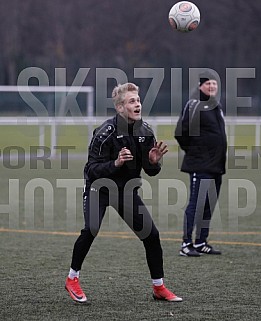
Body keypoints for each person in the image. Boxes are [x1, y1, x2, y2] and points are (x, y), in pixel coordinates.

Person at [65, 82, 182, 302]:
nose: (137, 104)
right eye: (131, 101)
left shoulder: (146, 131)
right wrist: (116, 163)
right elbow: (91, 169)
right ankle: (72, 278)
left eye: (138, 100)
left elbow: (150, 171)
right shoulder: (105, 132)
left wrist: (154, 162)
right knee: (91, 229)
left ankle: (159, 287)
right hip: (98, 188)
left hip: (126, 190)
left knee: (152, 235)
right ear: (120, 108)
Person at [174, 71, 227, 257]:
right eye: (207, 84)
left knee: (208, 204)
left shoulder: (216, 105)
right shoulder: (194, 104)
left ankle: (201, 241)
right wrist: (195, 152)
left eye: (214, 83)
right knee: (195, 204)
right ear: (200, 86)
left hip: (216, 166)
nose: (211, 86)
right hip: (200, 165)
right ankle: (186, 244)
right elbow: (181, 132)